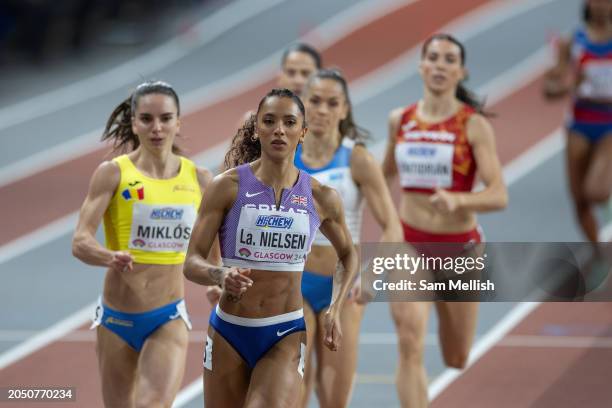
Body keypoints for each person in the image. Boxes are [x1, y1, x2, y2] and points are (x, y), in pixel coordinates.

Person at [184, 88, 359, 407]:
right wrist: (220, 274)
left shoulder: (321, 197)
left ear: (302, 132)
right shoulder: (227, 187)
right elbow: (191, 262)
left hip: (285, 331)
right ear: (256, 129)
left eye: (289, 122)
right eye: (269, 121)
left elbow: (348, 254)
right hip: (228, 332)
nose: (279, 129)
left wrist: (335, 306)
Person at [72, 81, 216, 407]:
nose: (157, 128)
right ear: (134, 123)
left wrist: (216, 278)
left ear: (178, 122)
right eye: (147, 119)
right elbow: (80, 240)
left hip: (168, 316)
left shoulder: (199, 179)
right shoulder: (112, 174)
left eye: (166, 118)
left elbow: (213, 243)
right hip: (117, 319)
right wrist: (109, 256)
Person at [382, 34, 508, 407]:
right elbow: (380, 177)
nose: (439, 65)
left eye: (448, 59)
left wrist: (459, 199)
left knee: (457, 356)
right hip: (409, 243)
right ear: (421, 66)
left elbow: (499, 194)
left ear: (461, 71)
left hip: (460, 248)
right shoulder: (400, 120)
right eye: (432, 57)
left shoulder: (473, 126)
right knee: (409, 340)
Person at [295, 69, 403, 408]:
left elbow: (392, 227)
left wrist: (372, 277)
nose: (322, 110)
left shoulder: (356, 159)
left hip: (341, 291)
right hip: (293, 285)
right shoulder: (284, 156)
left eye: (332, 103)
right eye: (314, 101)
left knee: (334, 399)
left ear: (344, 109)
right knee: (291, 392)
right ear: (302, 104)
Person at [543, 0, 612, 245]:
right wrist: (570, 84)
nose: (602, 6)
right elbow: (548, 90)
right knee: (580, 200)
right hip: (580, 123)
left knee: (598, 192)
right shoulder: (572, 42)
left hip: (609, 123)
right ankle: (600, 254)